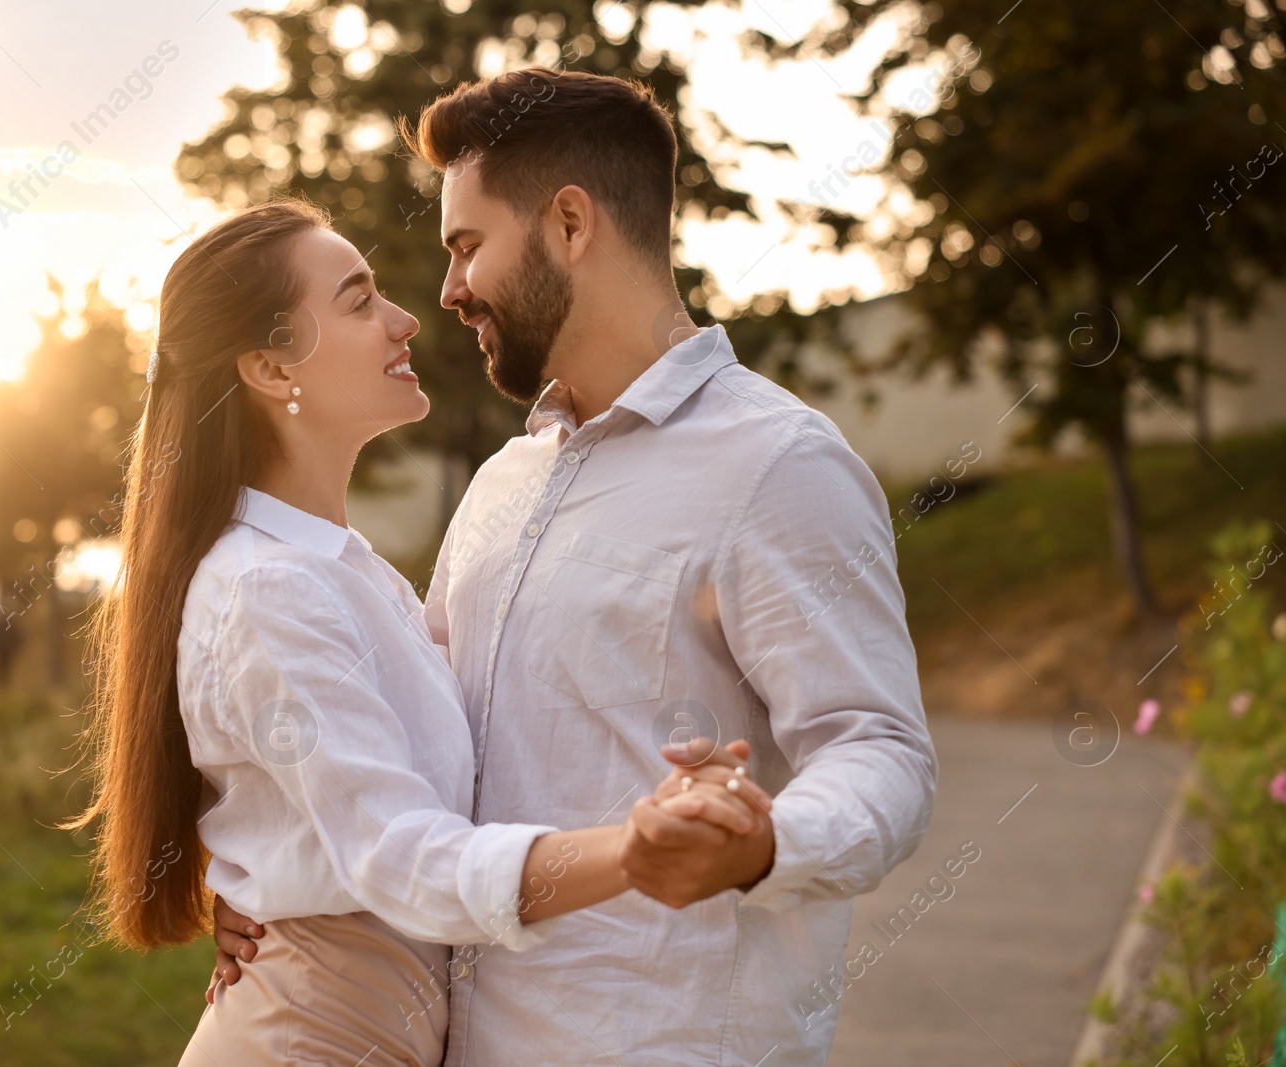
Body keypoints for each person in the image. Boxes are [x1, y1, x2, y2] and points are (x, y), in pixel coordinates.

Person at [211, 68, 938, 1066]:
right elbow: (395, 727)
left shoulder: (777, 464)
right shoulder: (501, 485)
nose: (447, 290)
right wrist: (274, 866)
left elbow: (883, 752)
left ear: (566, 225)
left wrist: (764, 841)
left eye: (466, 246)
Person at [63, 199, 771, 1067]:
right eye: (359, 302)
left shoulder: (346, 571)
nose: (405, 319)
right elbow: (401, 856)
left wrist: (271, 872)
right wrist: (636, 846)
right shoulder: (266, 586)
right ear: (270, 365)